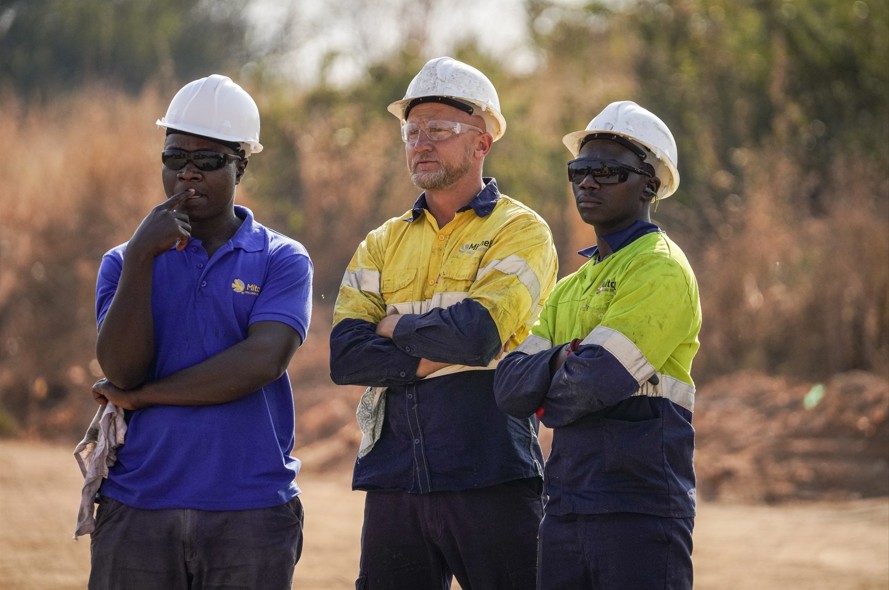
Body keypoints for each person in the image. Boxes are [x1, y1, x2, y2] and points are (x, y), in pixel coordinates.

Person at [329, 56, 558, 589]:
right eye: (412, 131)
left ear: (482, 142)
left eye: (438, 130)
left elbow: (478, 336)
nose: (420, 143)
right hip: (394, 478)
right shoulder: (382, 241)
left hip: (490, 469)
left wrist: (389, 327)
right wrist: (444, 348)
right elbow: (345, 356)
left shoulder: (521, 230)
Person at [88, 74, 313, 589]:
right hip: (137, 504)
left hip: (250, 510)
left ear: (242, 164)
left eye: (208, 161)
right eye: (174, 158)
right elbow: (120, 368)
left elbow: (261, 362)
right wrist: (143, 255)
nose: (188, 173)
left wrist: (143, 398)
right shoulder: (123, 262)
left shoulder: (281, 258)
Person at [494, 100, 701, 590]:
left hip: (641, 510)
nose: (588, 183)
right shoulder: (571, 285)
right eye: (580, 170)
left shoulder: (660, 268)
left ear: (650, 185)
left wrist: (553, 371)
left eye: (608, 171)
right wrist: (569, 357)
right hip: (565, 507)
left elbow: (591, 385)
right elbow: (508, 389)